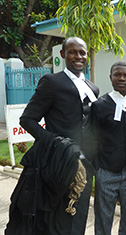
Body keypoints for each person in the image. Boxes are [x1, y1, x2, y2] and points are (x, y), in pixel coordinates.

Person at [6, 37, 99, 235]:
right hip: (58, 163)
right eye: (73, 52)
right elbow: (28, 119)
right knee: (57, 220)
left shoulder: (93, 88)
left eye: (82, 52)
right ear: (63, 54)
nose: (79, 56)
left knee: (78, 216)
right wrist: (56, 143)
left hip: (85, 166)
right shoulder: (52, 82)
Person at [91, 61, 126, 234]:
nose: (122, 78)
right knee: (103, 217)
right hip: (106, 170)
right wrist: (97, 168)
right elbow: (92, 139)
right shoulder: (99, 105)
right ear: (111, 77)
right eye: (118, 74)